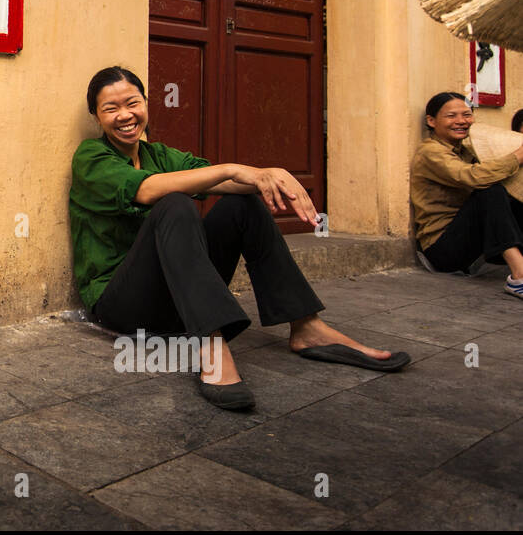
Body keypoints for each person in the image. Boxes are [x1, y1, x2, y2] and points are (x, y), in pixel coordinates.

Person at [69, 65, 410, 412]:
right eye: (111, 109)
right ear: (96, 116)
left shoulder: (158, 155)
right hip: (120, 304)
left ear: (146, 103)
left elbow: (217, 182)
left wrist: (266, 175)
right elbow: (145, 190)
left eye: (133, 103)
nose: (125, 115)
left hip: (174, 302)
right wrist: (233, 168)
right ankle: (211, 345)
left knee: (242, 203)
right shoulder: (91, 157)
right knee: (173, 202)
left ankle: (306, 326)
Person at [410, 91, 523, 298]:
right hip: (442, 251)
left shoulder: (465, 150)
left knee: (514, 195)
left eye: (467, 114)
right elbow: (472, 178)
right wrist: (518, 156)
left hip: (472, 245)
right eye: (451, 116)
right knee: (489, 188)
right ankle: (520, 276)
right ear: (431, 121)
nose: (461, 121)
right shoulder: (430, 152)